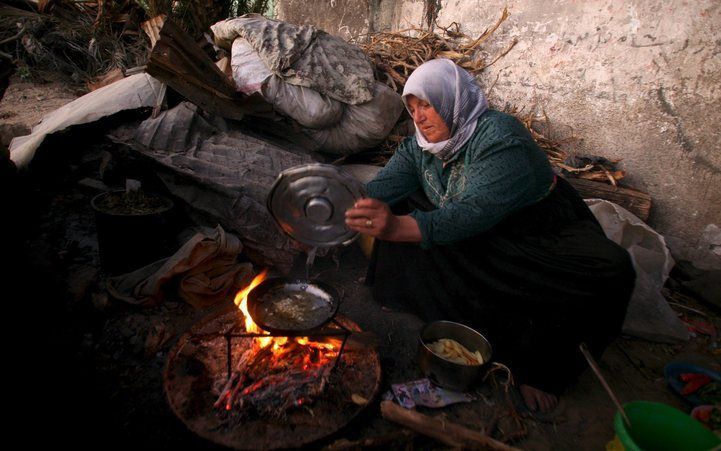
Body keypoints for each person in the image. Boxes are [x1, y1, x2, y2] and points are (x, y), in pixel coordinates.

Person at [345, 59, 635, 413]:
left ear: (452, 100)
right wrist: (326, 216)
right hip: (475, 228)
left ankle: (543, 369)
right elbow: (377, 191)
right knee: (402, 208)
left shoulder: (501, 138)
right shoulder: (420, 147)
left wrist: (395, 227)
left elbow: (473, 212)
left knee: (609, 270)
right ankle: (438, 309)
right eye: (413, 107)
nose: (419, 117)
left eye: (428, 104)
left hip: (536, 234)